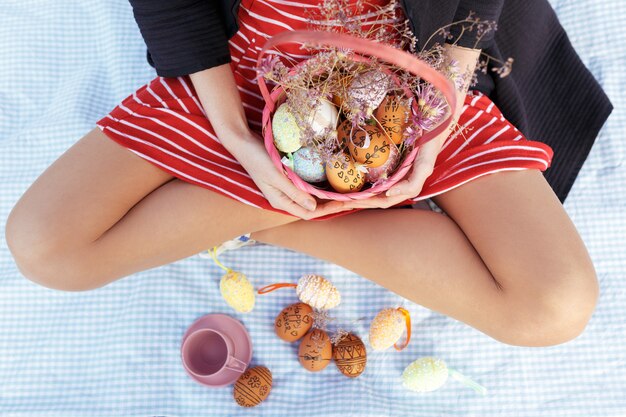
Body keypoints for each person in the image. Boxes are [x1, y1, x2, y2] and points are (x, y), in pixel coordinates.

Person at [5, 0, 611, 348]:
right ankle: (311, 194)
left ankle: (272, 218)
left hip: (414, 64)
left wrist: (439, 112)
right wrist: (239, 140)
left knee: (555, 306)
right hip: (249, 61)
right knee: (45, 246)